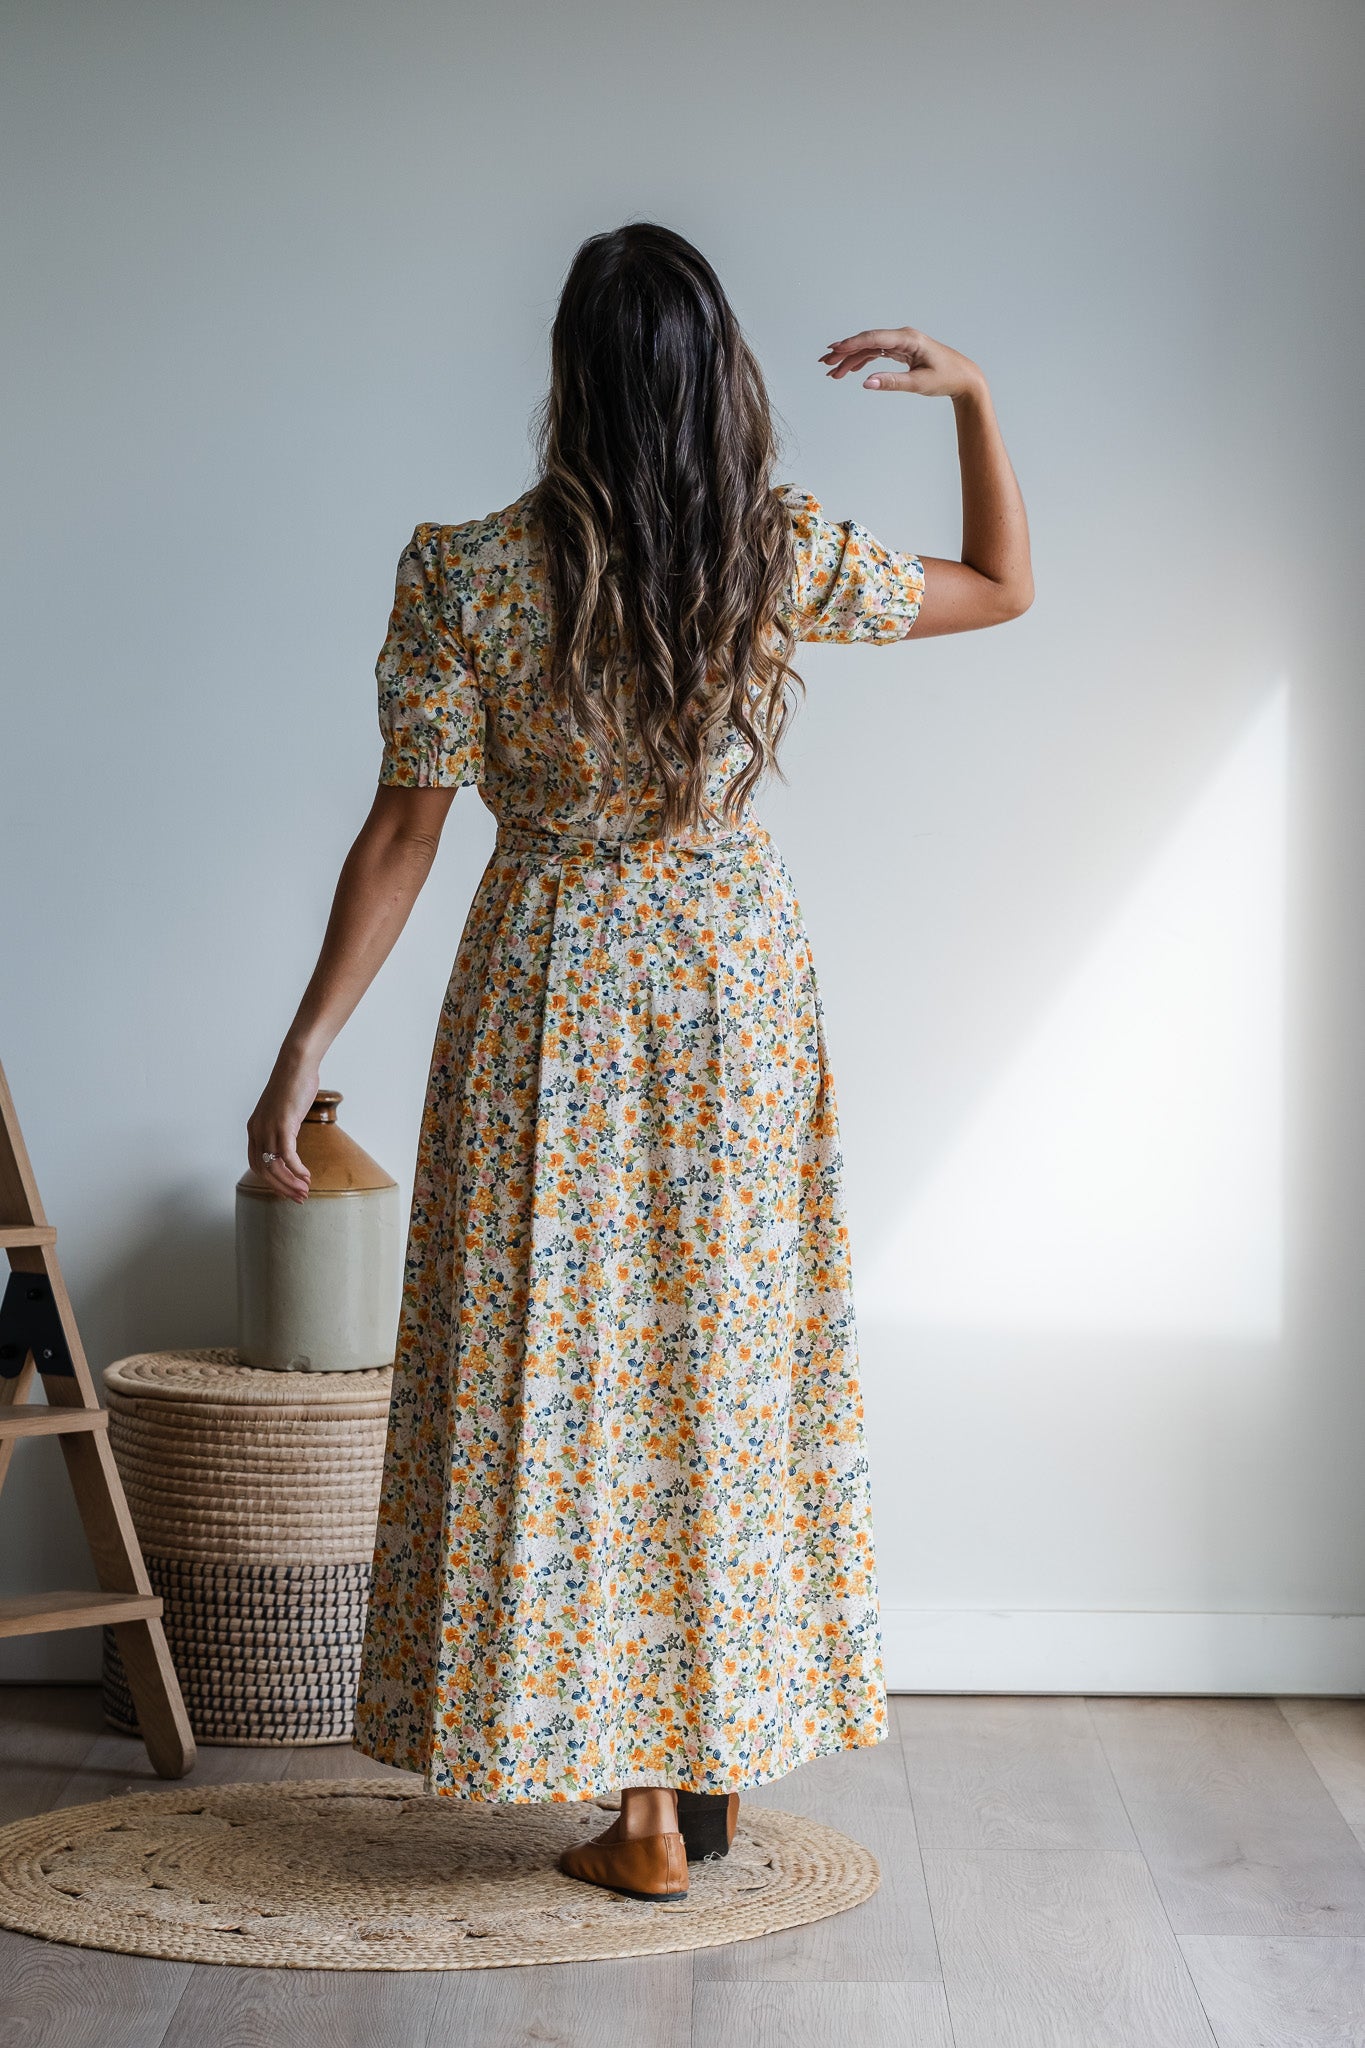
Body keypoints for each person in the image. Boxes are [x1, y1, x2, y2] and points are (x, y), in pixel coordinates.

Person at [246, 222, 1032, 1904]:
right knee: (711, 1374)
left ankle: (638, 1808)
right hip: (735, 986)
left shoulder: (461, 572)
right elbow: (998, 589)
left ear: (567, 379)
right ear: (716, 378)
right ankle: (684, 1777)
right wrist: (971, 398)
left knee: (548, 1367)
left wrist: (300, 1049)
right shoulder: (767, 553)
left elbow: (403, 834)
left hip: (550, 987)